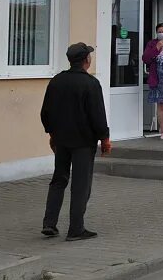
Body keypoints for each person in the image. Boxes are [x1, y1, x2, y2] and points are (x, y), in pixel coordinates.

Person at [40, 43, 111, 241]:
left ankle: (49, 223)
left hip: (61, 141)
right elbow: (98, 116)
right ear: (86, 60)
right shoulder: (90, 84)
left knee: (58, 180)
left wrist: (52, 134)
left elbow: (45, 112)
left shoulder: (56, 81)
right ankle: (76, 229)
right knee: (80, 184)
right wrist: (104, 138)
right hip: (83, 142)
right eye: (90, 55)